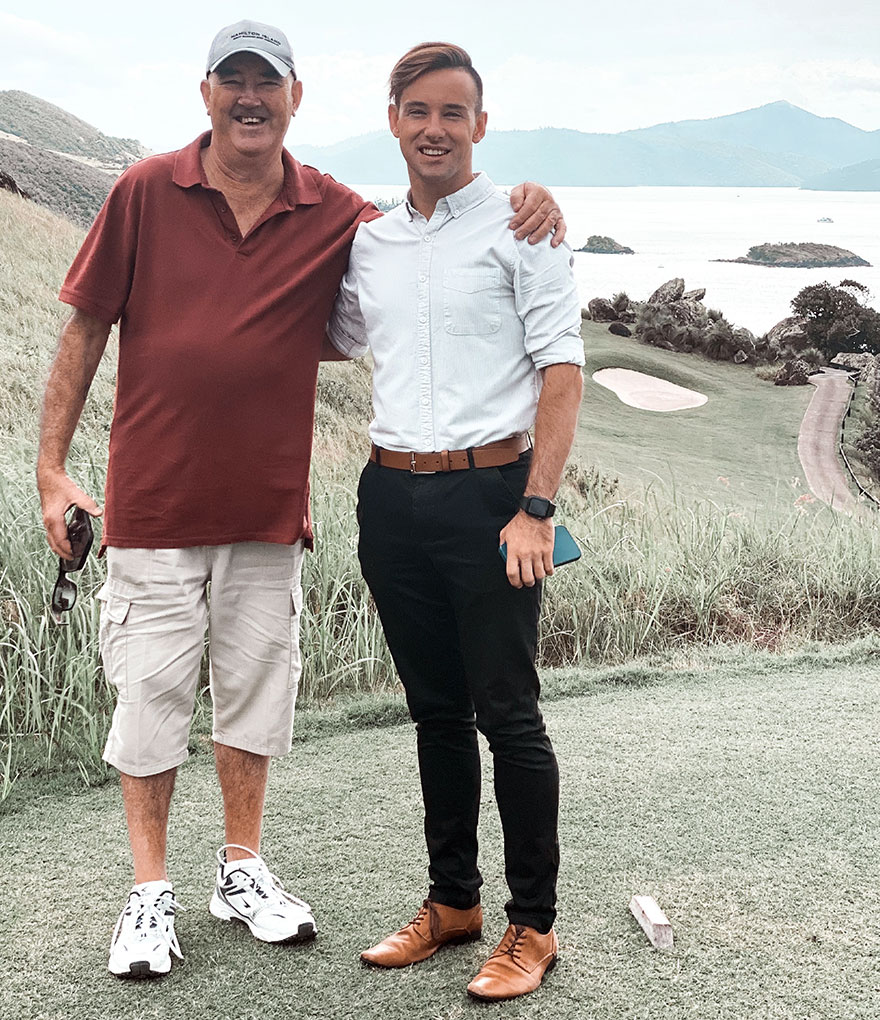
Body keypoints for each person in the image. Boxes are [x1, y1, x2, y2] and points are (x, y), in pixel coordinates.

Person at [35, 21, 565, 980]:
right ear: (206, 94)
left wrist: (534, 200)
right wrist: (50, 471)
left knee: (275, 702)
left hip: (315, 511)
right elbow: (86, 331)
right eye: (232, 81)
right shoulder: (159, 193)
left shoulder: (344, 211)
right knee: (161, 701)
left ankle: (257, 872)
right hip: (184, 505)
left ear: (295, 98)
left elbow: (519, 330)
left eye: (266, 83)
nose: (250, 98)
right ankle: (161, 895)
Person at [327, 42, 584, 1003]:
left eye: (454, 112)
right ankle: (453, 905)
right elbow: (334, 335)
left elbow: (562, 369)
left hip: (493, 500)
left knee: (508, 716)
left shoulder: (526, 226)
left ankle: (533, 926)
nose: (435, 128)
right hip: (389, 499)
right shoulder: (371, 240)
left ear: (480, 123)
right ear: (393, 118)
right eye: (418, 111)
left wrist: (535, 509)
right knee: (435, 712)